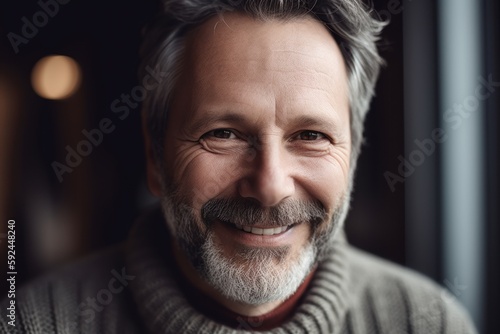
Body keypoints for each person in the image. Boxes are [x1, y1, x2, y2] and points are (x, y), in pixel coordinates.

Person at [1, 0, 477, 333]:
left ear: (351, 156)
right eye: (223, 134)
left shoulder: (427, 321)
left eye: (310, 136)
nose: (269, 187)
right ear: (154, 154)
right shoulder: (36, 322)